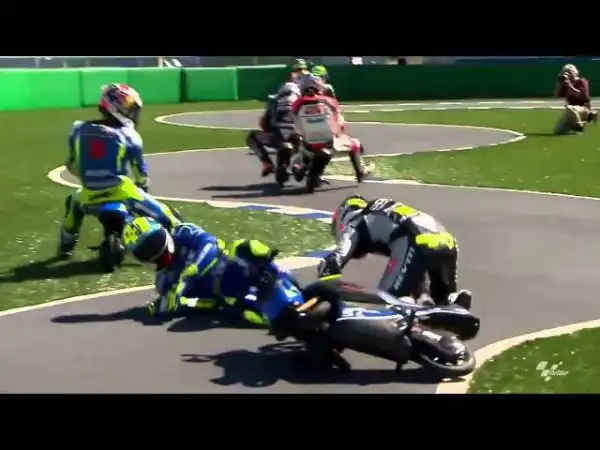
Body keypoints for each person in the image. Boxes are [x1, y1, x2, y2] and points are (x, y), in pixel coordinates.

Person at [58, 83, 181, 258]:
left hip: (89, 194)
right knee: (166, 215)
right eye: (129, 106)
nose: (132, 112)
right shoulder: (129, 135)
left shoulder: (78, 130)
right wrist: (143, 184)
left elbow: (72, 165)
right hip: (122, 192)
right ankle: (184, 240)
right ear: (116, 106)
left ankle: (66, 245)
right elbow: (140, 170)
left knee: (73, 205)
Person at [122, 216, 289, 325]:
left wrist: (188, 274)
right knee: (239, 311)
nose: (154, 252)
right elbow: (205, 303)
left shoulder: (183, 232)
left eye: (153, 243)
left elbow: (209, 244)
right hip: (226, 295)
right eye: (144, 252)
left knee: (244, 247)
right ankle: (281, 321)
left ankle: (281, 275)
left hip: (232, 266)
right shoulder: (164, 282)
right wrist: (179, 303)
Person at [317, 195, 473, 309]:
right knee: (441, 303)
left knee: (388, 301)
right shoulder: (381, 209)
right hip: (446, 240)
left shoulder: (355, 220)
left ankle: (407, 308)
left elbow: (335, 259)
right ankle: (450, 303)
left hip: (415, 241)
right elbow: (413, 269)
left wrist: (323, 285)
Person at [290, 74, 374, 183]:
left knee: (301, 149)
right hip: (329, 142)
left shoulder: (296, 104)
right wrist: (340, 133)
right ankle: (360, 172)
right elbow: (339, 123)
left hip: (308, 143)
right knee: (355, 144)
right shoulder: (328, 101)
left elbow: (296, 126)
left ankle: (301, 167)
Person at [246, 59, 308, 179]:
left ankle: (267, 163)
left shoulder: (274, 100)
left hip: (280, 136)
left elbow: (264, 123)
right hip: (301, 138)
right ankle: (300, 164)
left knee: (252, 137)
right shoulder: (309, 97)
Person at [553, 64, 598, 135]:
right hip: (571, 112)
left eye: (570, 72)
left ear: (575, 72)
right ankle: (576, 124)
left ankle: (581, 124)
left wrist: (569, 84)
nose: (568, 74)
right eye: (566, 72)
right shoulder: (566, 83)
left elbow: (578, 94)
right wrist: (559, 83)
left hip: (583, 109)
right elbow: (556, 96)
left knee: (569, 108)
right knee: (558, 131)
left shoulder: (582, 81)